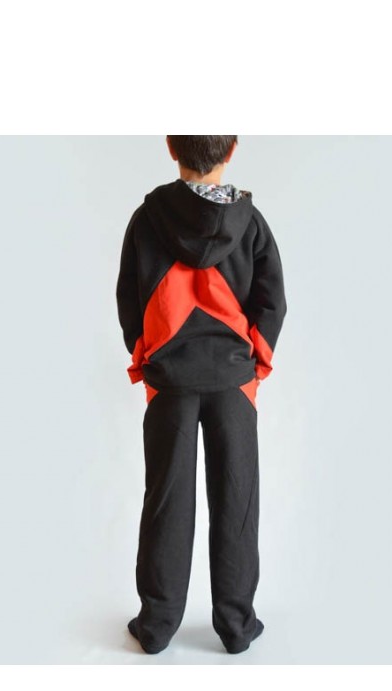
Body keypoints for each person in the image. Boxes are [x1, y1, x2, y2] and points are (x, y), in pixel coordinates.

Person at [116, 135, 287, 654]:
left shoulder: (147, 220)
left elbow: (129, 297)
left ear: (171, 146)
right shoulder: (250, 223)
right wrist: (254, 365)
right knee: (237, 500)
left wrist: (148, 356)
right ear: (231, 150)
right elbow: (272, 300)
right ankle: (236, 627)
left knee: (166, 500)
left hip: (170, 380)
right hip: (233, 382)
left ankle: (156, 626)